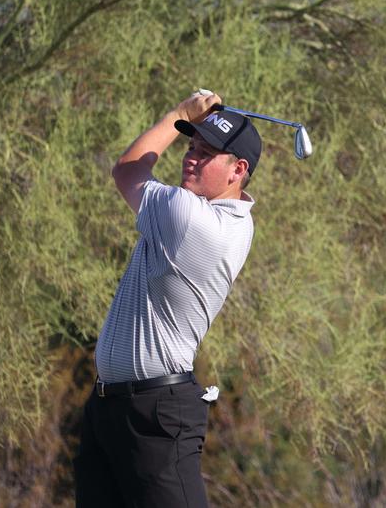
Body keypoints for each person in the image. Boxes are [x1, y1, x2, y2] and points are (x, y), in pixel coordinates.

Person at [74, 90, 261, 507]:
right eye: (191, 146)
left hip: (155, 415)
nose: (190, 158)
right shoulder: (235, 220)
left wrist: (180, 113)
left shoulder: (188, 217)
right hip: (111, 409)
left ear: (238, 170)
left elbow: (127, 168)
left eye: (206, 153)